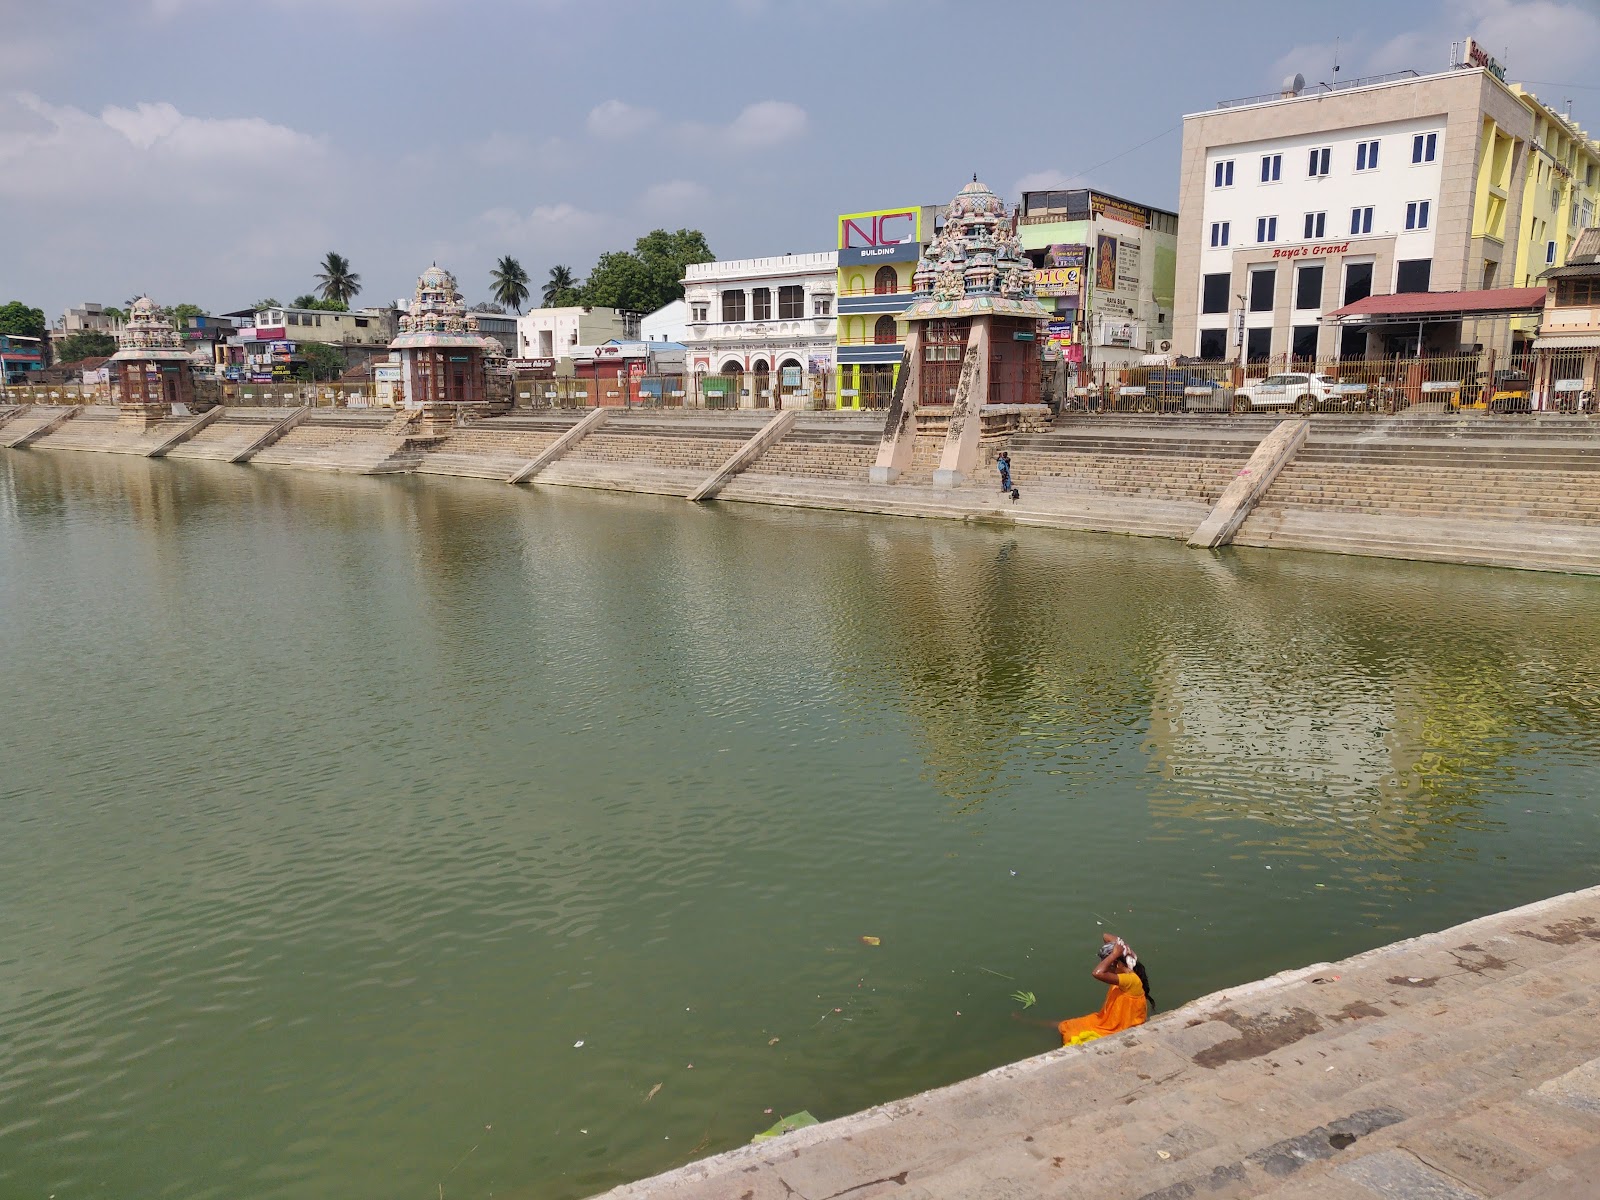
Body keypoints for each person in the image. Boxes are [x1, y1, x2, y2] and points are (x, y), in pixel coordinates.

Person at [1056, 935, 1151, 1047]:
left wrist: (1115, 953)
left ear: (1115, 963)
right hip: (1108, 1020)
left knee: (1071, 1034)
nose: (1106, 968)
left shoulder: (1130, 979)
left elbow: (1097, 973)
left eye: (1107, 964)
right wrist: (1123, 947)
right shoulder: (1125, 967)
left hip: (1123, 1026)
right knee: (1066, 1025)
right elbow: (1105, 936)